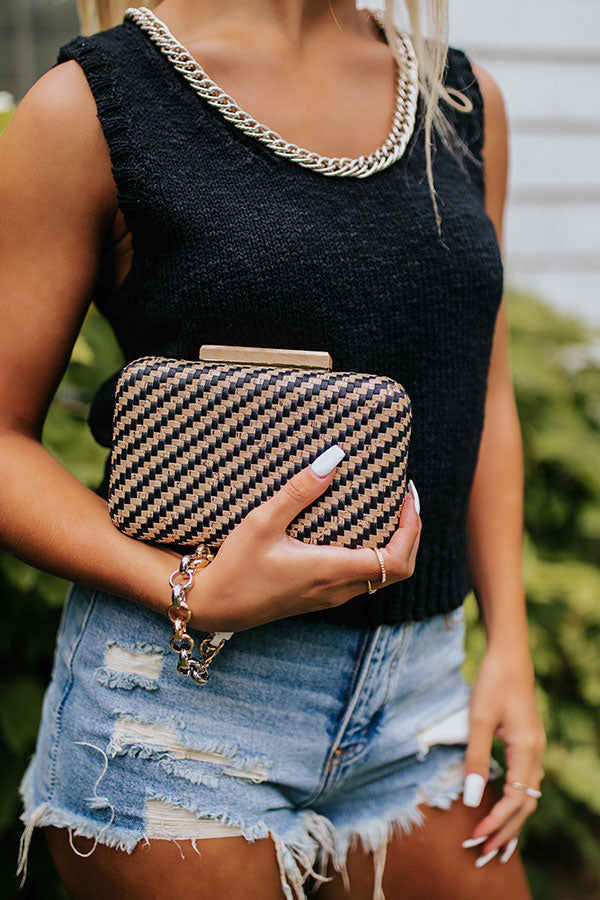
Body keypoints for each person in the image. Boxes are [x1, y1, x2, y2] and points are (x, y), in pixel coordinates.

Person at [1, 1, 547, 897]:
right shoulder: (88, 105)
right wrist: (181, 586)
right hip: (179, 708)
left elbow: (481, 389)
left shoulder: (461, 101)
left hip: (424, 696)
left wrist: (509, 649)